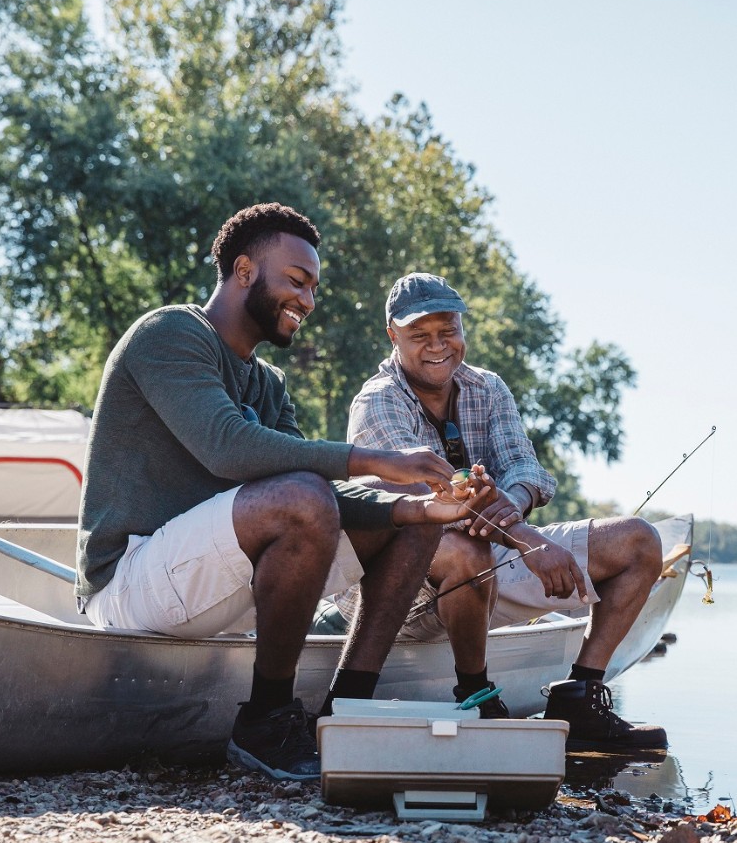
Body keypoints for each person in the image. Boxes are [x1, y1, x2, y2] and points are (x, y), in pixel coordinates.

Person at [75, 207, 494, 782]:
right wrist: (381, 460)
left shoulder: (268, 384)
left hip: (219, 584)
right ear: (244, 270)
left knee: (409, 521)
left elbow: (328, 493)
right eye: (297, 280)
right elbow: (226, 446)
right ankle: (267, 717)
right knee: (302, 496)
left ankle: (349, 711)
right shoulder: (171, 334)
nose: (310, 300)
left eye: (314, 287)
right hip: (131, 583)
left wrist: (420, 507)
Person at [346, 272, 667, 751]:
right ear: (393, 335)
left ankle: (580, 698)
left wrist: (510, 502)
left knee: (639, 541)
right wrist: (529, 540)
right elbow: (439, 504)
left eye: (448, 330)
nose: (438, 346)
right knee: (461, 547)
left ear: (463, 329)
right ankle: (476, 693)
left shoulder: (487, 388)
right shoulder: (378, 401)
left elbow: (526, 470)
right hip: (400, 590)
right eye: (419, 335)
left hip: (489, 555)